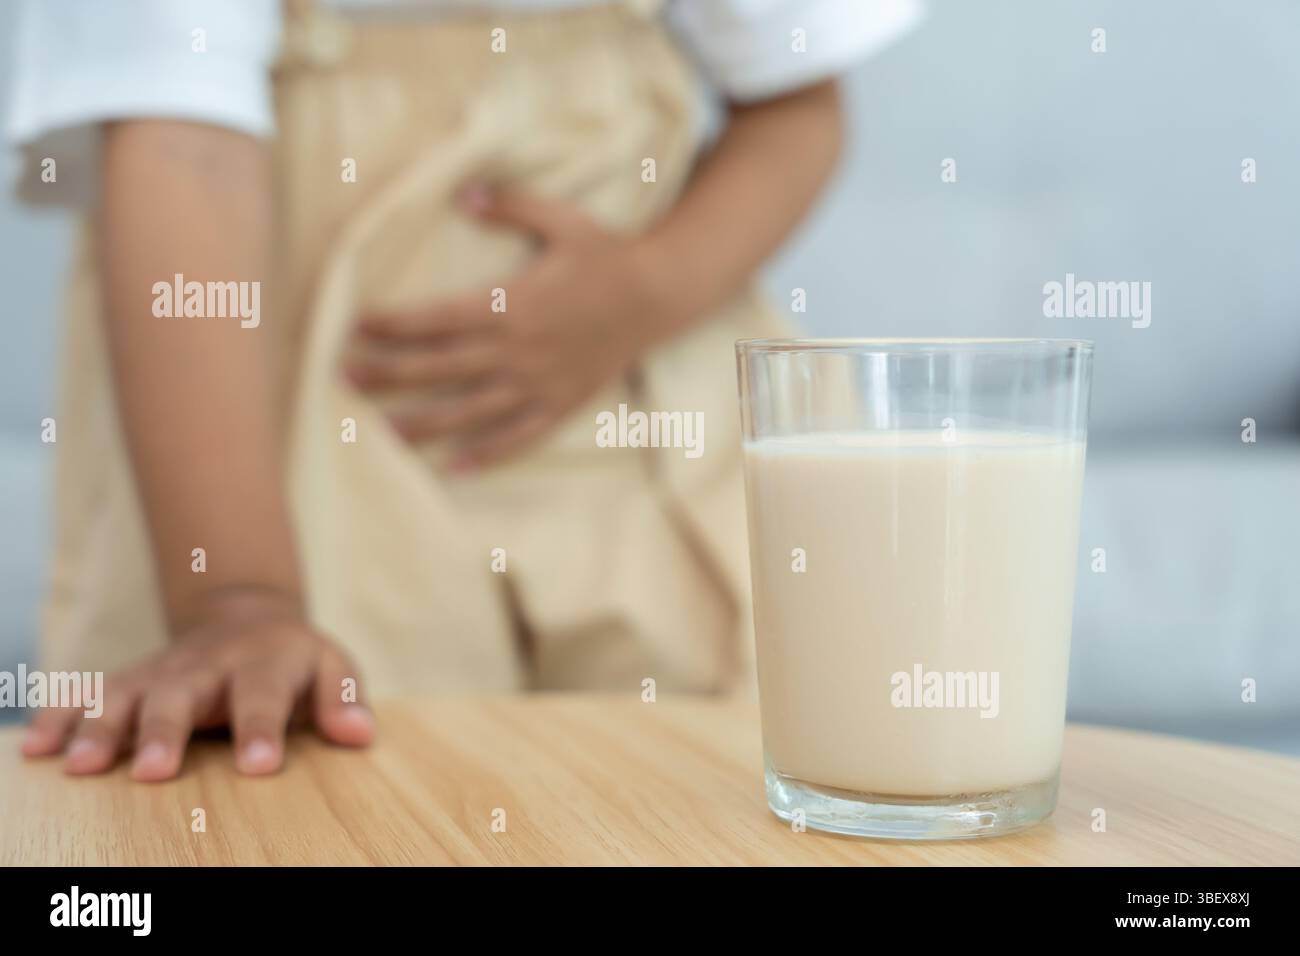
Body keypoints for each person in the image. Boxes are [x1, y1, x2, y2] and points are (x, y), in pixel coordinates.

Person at [8, 0, 922, 780]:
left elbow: (796, 104)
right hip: (265, 460)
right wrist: (236, 604)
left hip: (637, 408)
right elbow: (180, 145)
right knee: (307, 782)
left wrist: (642, 292)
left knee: (695, 776)